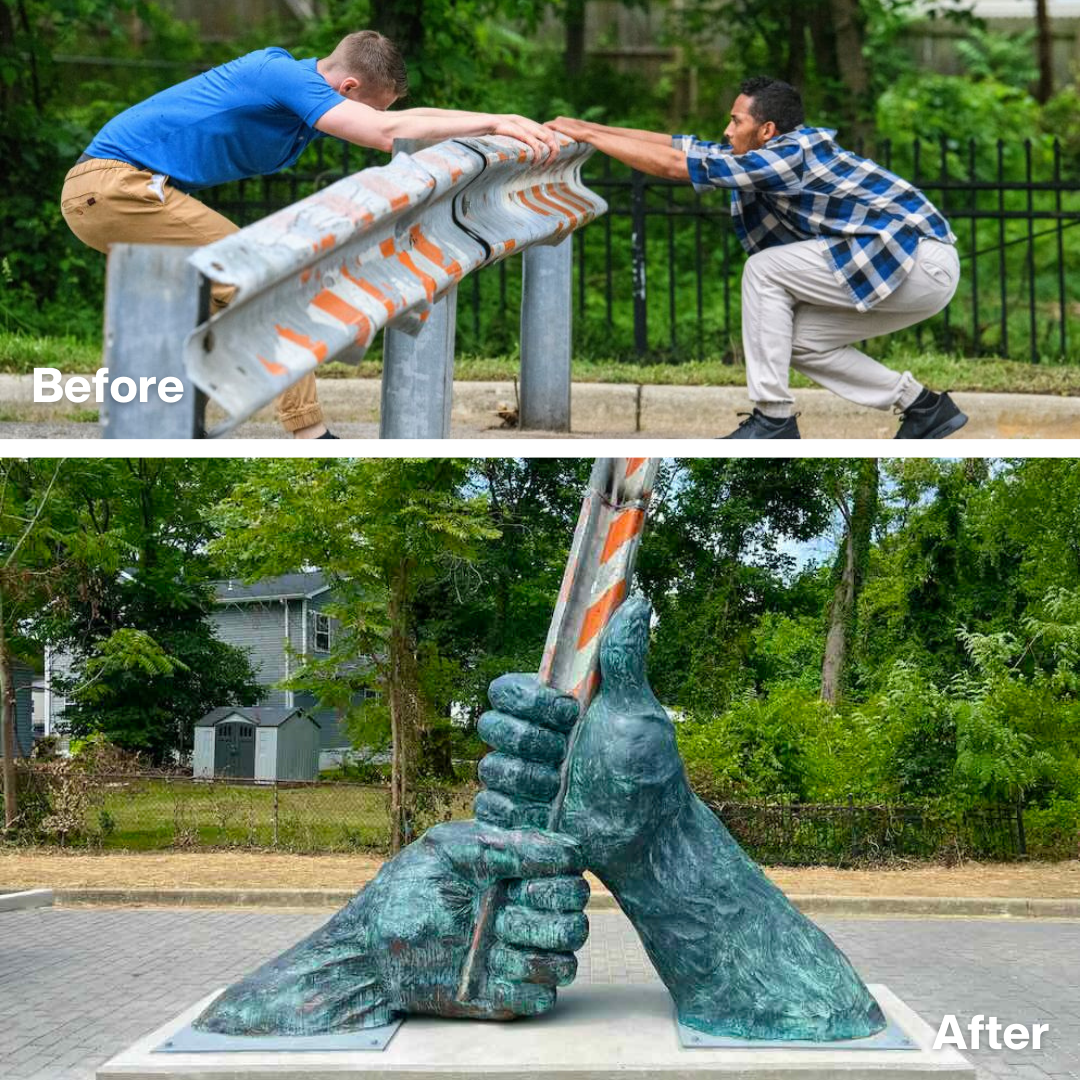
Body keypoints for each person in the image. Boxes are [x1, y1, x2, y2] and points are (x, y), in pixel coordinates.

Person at [61, 31, 560, 439]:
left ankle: (157, 415)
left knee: (217, 296)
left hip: (125, 190)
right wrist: (495, 120)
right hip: (115, 188)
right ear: (346, 88)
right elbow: (391, 133)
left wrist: (496, 127)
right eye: (374, 107)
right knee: (269, 282)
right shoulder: (282, 76)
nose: (380, 118)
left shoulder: (299, 84)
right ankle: (308, 434)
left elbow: (406, 122)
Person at [547, 78, 968, 440]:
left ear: (766, 129)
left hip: (916, 261)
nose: (727, 130)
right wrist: (586, 128)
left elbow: (679, 166)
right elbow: (680, 146)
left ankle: (773, 418)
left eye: (736, 121)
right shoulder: (768, 152)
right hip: (905, 265)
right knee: (800, 341)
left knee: (764, 269)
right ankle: (924, 407)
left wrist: (590, 140)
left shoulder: (789, 157)